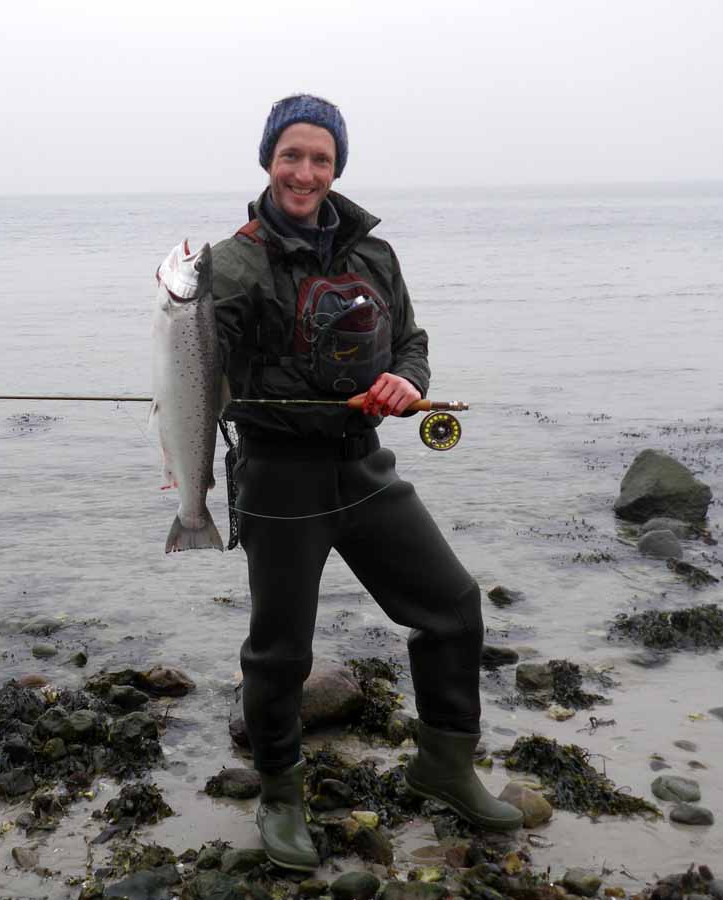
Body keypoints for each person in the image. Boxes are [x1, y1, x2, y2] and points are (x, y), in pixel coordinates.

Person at [211, 94, 522, 871]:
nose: (304, 172)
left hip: (364, 465)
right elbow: (200, 361)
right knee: (281, 651)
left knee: (452, 607)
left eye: (320, 158)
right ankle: (281, 792)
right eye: (291, 156)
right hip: (279, 476)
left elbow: (411, 338)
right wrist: (182, 316)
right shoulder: (236, 260)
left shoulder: (373, 254)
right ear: (268, 162)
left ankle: (443, 764)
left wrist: (404, 383)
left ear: (337, 166)